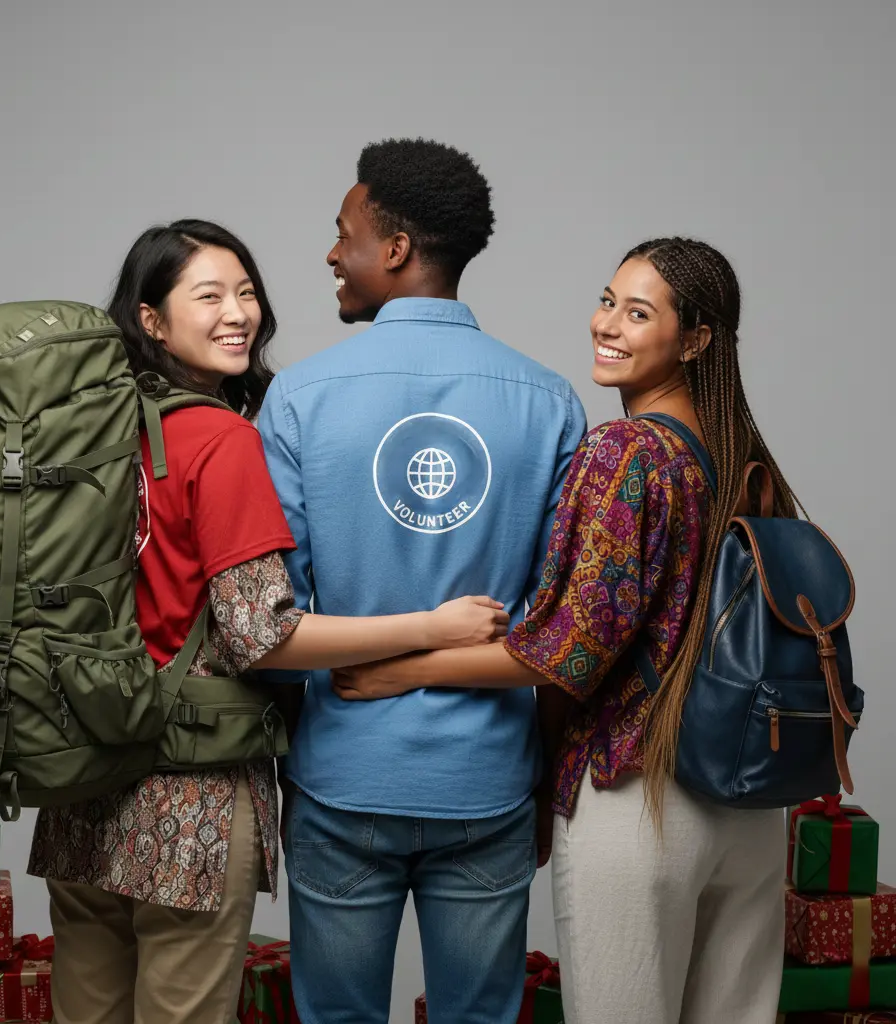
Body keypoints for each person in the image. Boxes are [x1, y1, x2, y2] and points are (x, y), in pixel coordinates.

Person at [26, 218, 508, 1024]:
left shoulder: (88, 432)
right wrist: (433, 626)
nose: (238, 312)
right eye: (208, 295)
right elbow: (265, 636)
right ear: (149, 319)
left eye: (245, 291)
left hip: (81, 784)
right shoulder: (218, 438)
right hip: (191, 801)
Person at [334, 236, 798, 1024]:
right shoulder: (739, 455)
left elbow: (567, 651)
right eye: (608, 300)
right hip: (751, 803)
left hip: (642, 794)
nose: (606, 324)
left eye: (638, 312)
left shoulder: (624, 452)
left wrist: (406, 669)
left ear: (695, 340)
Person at [257, 139, 586, 1024]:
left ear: (394, 248)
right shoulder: (550, 401)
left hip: (343, 775)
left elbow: (271, 634)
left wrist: (302, 752)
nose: (332, 253)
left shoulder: (296, 398)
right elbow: (563, 626)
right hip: (488, 780)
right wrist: (541, 771)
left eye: (345, 233)